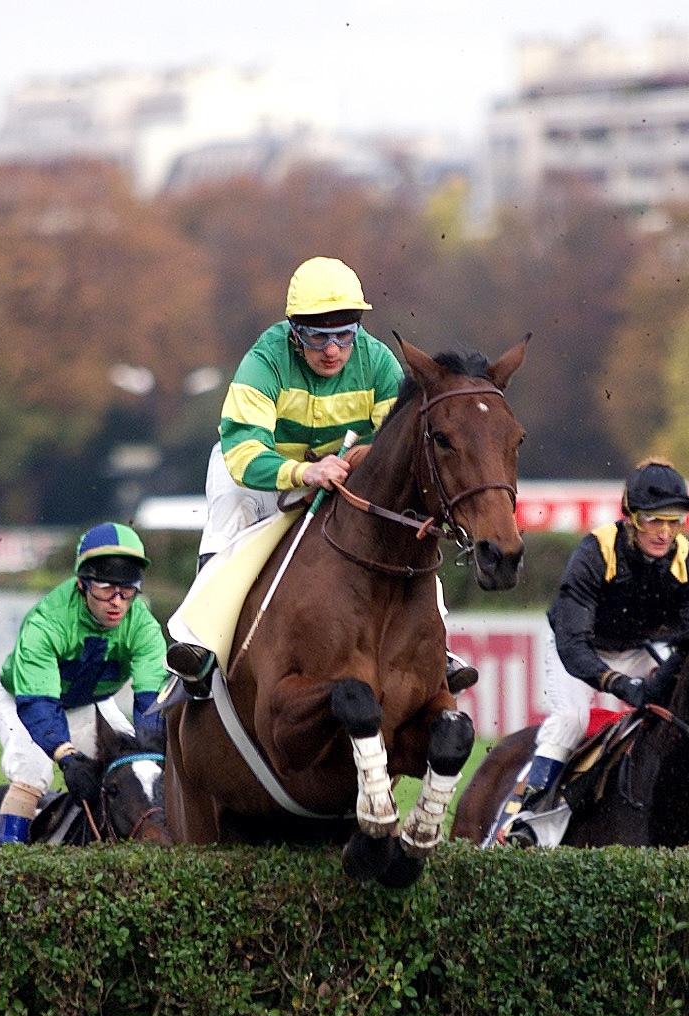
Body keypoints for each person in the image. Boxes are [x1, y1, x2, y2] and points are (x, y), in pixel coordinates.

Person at [168, 255, 476, 695]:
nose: (332, 350)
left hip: (340, 473)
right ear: (295, 331)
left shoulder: (379, 363)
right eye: (318, 336)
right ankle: (197, 645)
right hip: (263, 473)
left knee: (406, 529)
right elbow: (243, 450)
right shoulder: (264, 361)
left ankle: (437, 648)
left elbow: (396, 445)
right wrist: (302, 471)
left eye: (344, 335)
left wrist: (355, 461)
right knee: (231, 504)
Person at [489, 459, 689, 845]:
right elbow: (572, 643)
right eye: (653, 521)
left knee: (686, 722)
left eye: (674, 522)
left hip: (641, 651)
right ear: (630, 517)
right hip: (580, 651)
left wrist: (664, 676)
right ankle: (528, 817)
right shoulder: (595, 552)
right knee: (572, 721)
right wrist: (620, 685)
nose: (664, 534)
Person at [0, 522, 168, 844]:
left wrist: (152, 743)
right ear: (82, 584)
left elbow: (151, 699)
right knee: (34, 773)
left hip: (92, 703)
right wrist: (67, 756)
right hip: (24, 702)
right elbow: (39, 703)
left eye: (127, 590)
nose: (117, 602)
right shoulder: (47, 622)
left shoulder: (142, 625)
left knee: (136, 766)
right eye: (105, 589)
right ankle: (5, 858)